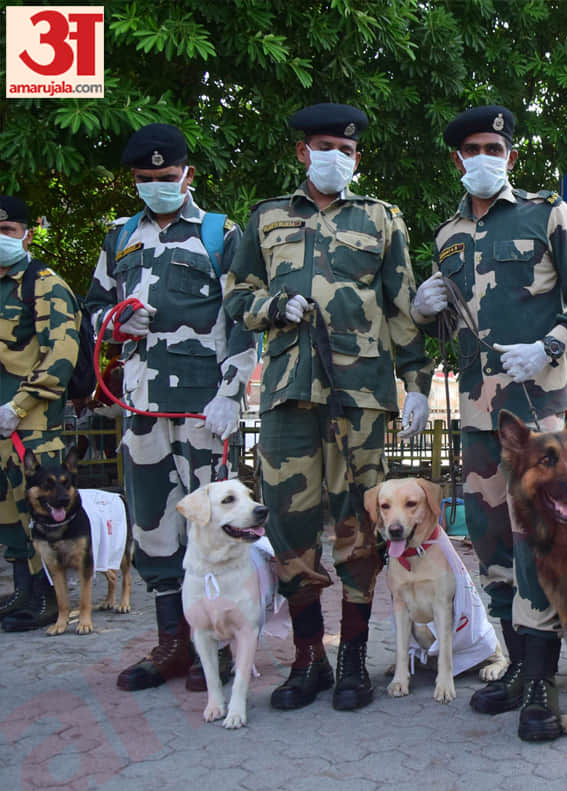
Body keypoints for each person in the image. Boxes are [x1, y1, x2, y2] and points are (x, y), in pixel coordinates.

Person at [410, 105, 567, 741]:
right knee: (494, 541)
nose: (483, 157)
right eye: (472, 148)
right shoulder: (447, 236)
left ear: (511, 156)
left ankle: (543, 685)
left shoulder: (549, 213)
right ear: (456, 159)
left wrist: (552, 345)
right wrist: (425, 308)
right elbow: (451, 328)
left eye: (494, 147)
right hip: (480, 417)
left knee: (544, 548)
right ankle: (515, 665)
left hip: (543, 421)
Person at [224, 103, 432, 712]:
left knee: (362, 527)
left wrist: (416, 381)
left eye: (344, 147)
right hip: (289, 395)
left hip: (361, 397)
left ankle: (353, 662)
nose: (332, 156)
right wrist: (270, 308)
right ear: (301, 152)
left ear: (356, 157)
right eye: (321, 145)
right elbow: (237, 294)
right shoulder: (265, 217)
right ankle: (308, 659)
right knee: (289, 531)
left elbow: (401, 305)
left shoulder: (381, 218)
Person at [83, 124, 256, 689]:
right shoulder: (120, 238)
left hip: (205, 408)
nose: (156, 185)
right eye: (145, 179)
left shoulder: (218, 234)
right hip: (143, 405)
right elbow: (94, 310)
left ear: (188, 175)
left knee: (219, 527)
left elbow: (242, 320)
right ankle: (173, 644)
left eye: (166, 176)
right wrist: (114, 322)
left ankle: (225, 646)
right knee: (154, 524)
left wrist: (232, 394)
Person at [0, 196, 82, 631]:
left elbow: (62, 353)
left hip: (31, 422)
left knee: (42, 511)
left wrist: (19, 405)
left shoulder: (43, 283)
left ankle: (52, 598)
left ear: (27, 235)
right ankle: (23, 590)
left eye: (7, 231)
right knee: (7, 512)